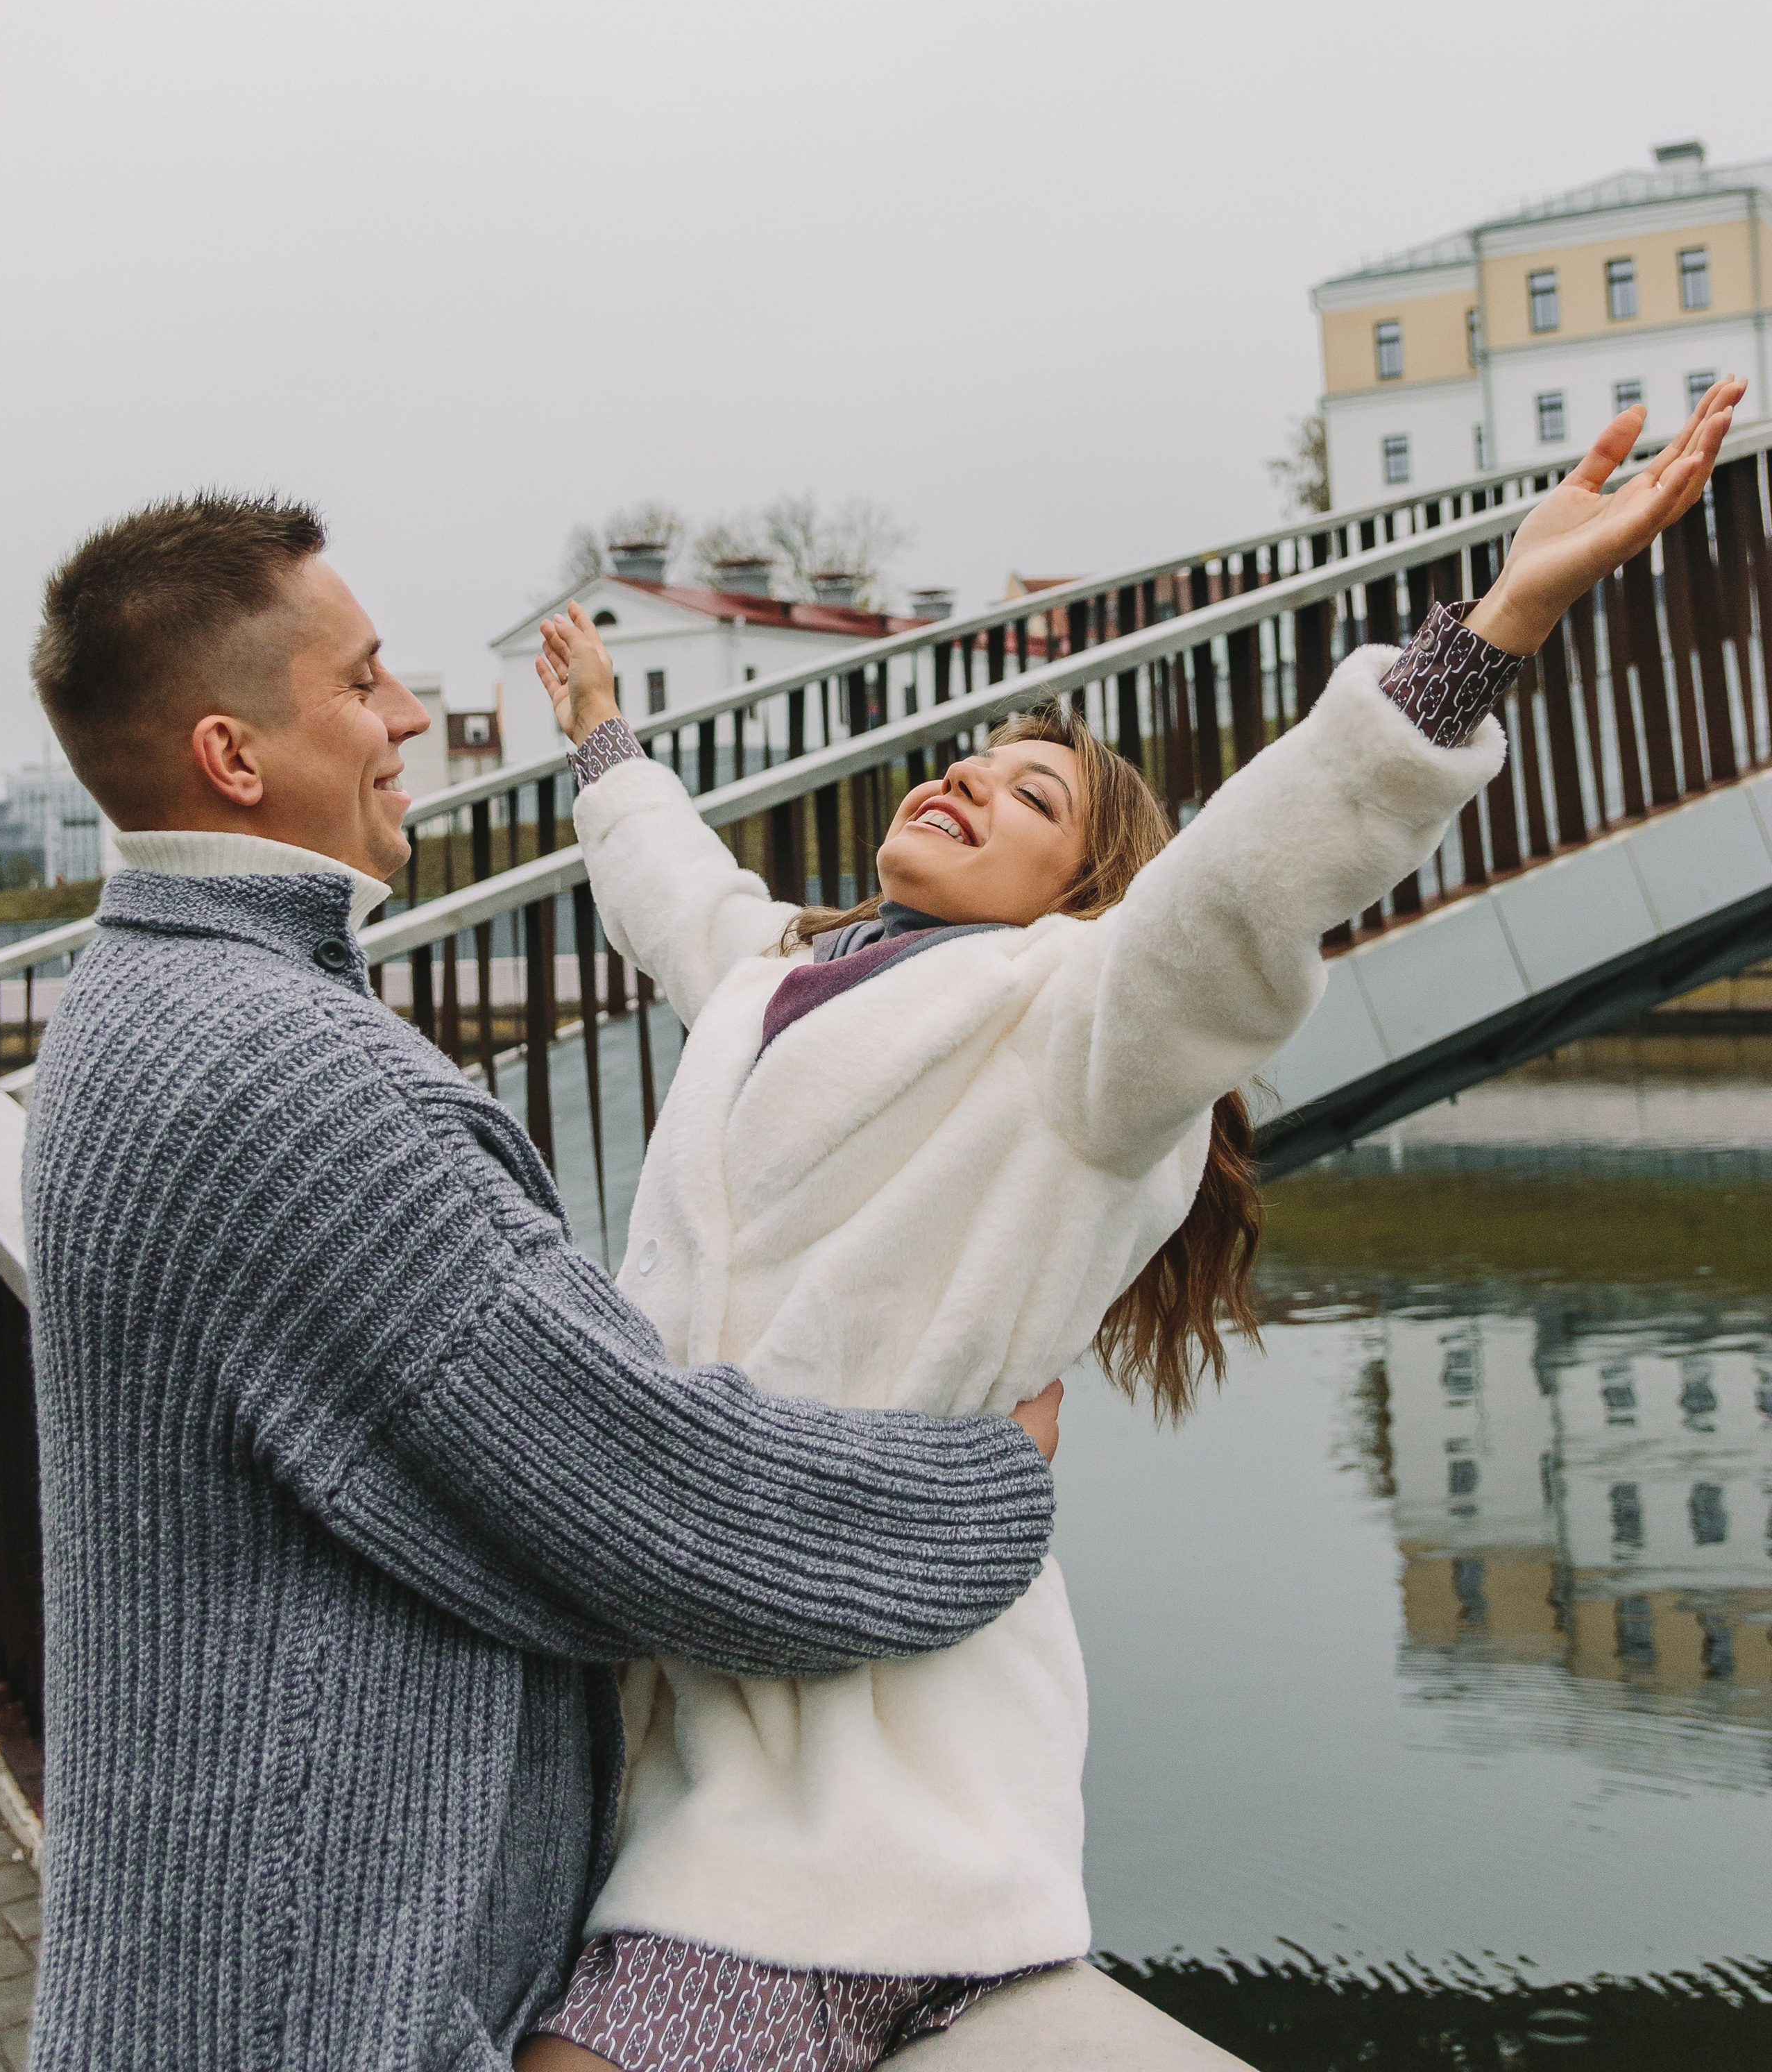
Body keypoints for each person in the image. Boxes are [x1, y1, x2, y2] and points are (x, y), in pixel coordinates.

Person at [518, 384, 1743, 2072]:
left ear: (1082, 898)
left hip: (863, 1790)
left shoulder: (1085, 1034)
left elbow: (1242, 885)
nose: (969, 779)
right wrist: (597, 735)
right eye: (973, 761)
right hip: (683, 1711)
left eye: (1032, 799)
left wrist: (1497, 621)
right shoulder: (777, 975)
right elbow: (675, 890)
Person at [19, 495, 1069, 2072]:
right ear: (235, 759)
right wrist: (995, 1476)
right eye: (365, 682)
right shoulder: (289, 1083)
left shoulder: (134, 998)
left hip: (199, 1981)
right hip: (308, 2008)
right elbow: (659, 1507)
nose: (411, 717)